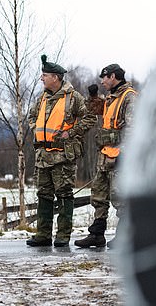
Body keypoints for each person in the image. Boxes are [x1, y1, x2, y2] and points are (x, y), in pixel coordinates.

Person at [26, 55, 96, 247]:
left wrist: (71, 133)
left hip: (62, 157)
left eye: (45, 75)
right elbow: (31, 116)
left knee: (64, 195)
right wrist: (35, 129)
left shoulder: (73, 98)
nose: (41, 78)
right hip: (42, 156)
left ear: (55, 77)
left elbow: (89, 118)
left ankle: (63, 236)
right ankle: (43, 234)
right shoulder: (42, 97)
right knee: (44, 195)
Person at [75, 63, 137, 249]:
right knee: (99, 197)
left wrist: (124, 155)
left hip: (119, 158)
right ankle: (96, 235)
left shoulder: (129, 98)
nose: (102, 81)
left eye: (104, 78)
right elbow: (95, 110)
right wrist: (93, 97)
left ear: (113, 77)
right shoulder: (111, 98)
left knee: (120, 198)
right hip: (105, 156)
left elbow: (134, 129)